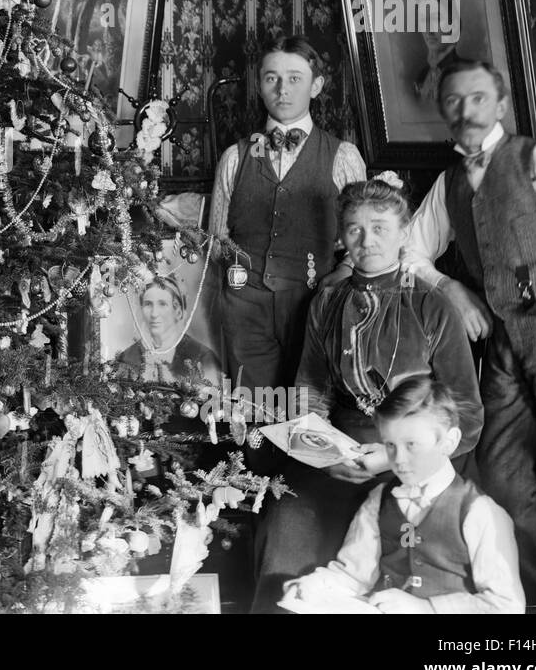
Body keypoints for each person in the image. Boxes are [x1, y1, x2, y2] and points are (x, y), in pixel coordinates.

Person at [402, 57, 536, 612]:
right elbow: (409, 251)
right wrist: (450, 287)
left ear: (500, 103)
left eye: (477, 98)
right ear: (442, 110)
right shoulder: (449, 183)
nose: (466, 111)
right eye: (453, 101)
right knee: (500, 474)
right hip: (507, 347)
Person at [253, 175, 480, 612]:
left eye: (380, 227)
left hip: (417, 458)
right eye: (354, 228)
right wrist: (322, 453)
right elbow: (310, 395)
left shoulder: (433, 307)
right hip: (339, 456)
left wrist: (397, 456)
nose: (367, 239)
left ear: (404, 233)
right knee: (285, 525)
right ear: (341, 236)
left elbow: (466, 414)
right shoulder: (327, 302)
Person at [280, 376, 523, 614]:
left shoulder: (480, 511)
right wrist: (311, 588)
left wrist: (427, 608)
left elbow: (506, 605)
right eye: (390, 445)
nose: (399, 459)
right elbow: (353, 575)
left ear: (449, 442)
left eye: (412, 445)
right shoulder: (379, 500)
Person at [209, 35, 366, 394]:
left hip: (314, 307)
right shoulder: (235, 157)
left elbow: (362, 243)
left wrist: (338, 276)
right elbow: (217, 241)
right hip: (246, 312)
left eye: (295, 78)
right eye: (271, 78)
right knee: (253, 421)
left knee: (310, 421)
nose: (283, 89)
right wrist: (241, 290)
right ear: (260, 86)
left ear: (316, 86)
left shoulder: (343, 156)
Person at [114, 275, 220, 384]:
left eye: (162, 304)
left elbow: (213, 398)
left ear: (178, 312)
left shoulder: (202, 358)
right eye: (148, 304)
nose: (154, 314)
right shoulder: (127, 358)